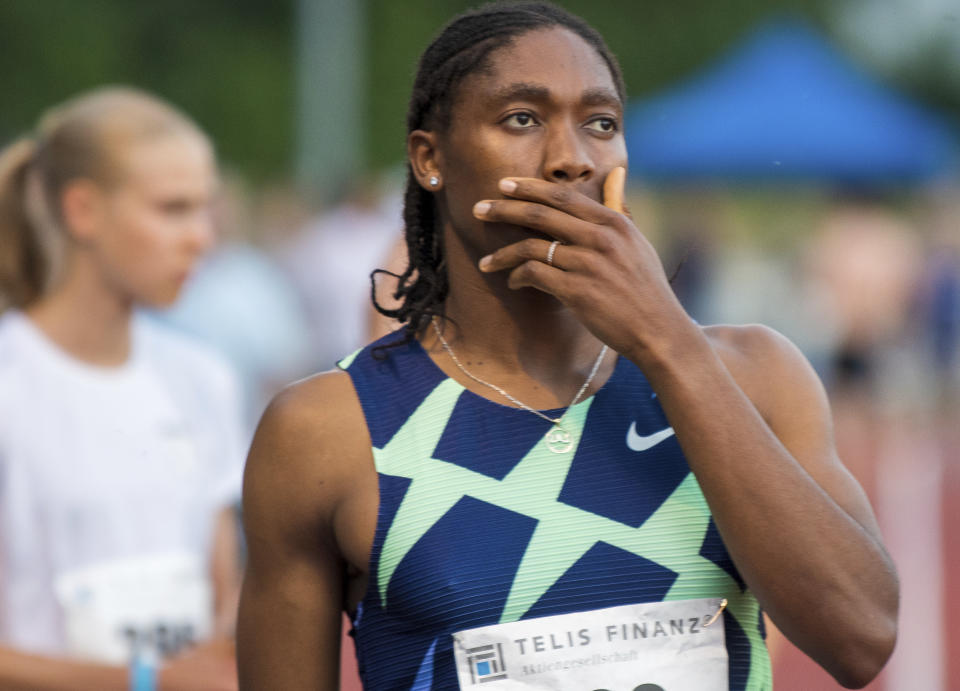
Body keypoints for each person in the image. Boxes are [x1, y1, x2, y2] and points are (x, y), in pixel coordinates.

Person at [237, 3, 899, 690]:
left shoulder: (756, 375)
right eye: (522, 118)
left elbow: (861, 638)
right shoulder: (326, 430)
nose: (570, 159)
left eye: (600, 124)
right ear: (430, 158)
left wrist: (666, 342)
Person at [0, 87, 242, 690]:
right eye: (172, 209)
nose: (201, 237)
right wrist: (144, 681)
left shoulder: (202, 376)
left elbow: (222, 592)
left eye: (205, 209)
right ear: (83, 211)